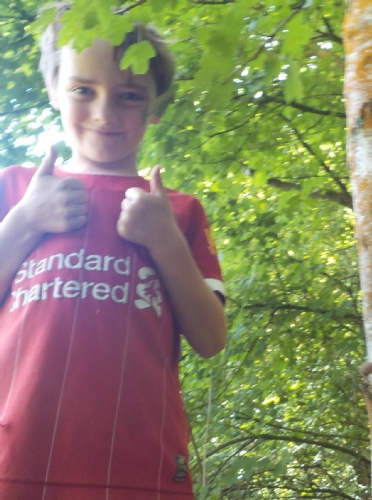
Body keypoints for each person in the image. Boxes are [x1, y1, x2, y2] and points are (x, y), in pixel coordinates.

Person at [0, 3, 227, 499]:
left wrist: (164, 241)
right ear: (54, 89)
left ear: (155, 109)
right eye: (84, 90)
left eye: (129, 95)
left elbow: (211, 338)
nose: (105, 113)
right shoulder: (14, 189)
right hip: (12, 461)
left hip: (140, 468)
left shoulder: (178, 212)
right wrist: (24, 221)